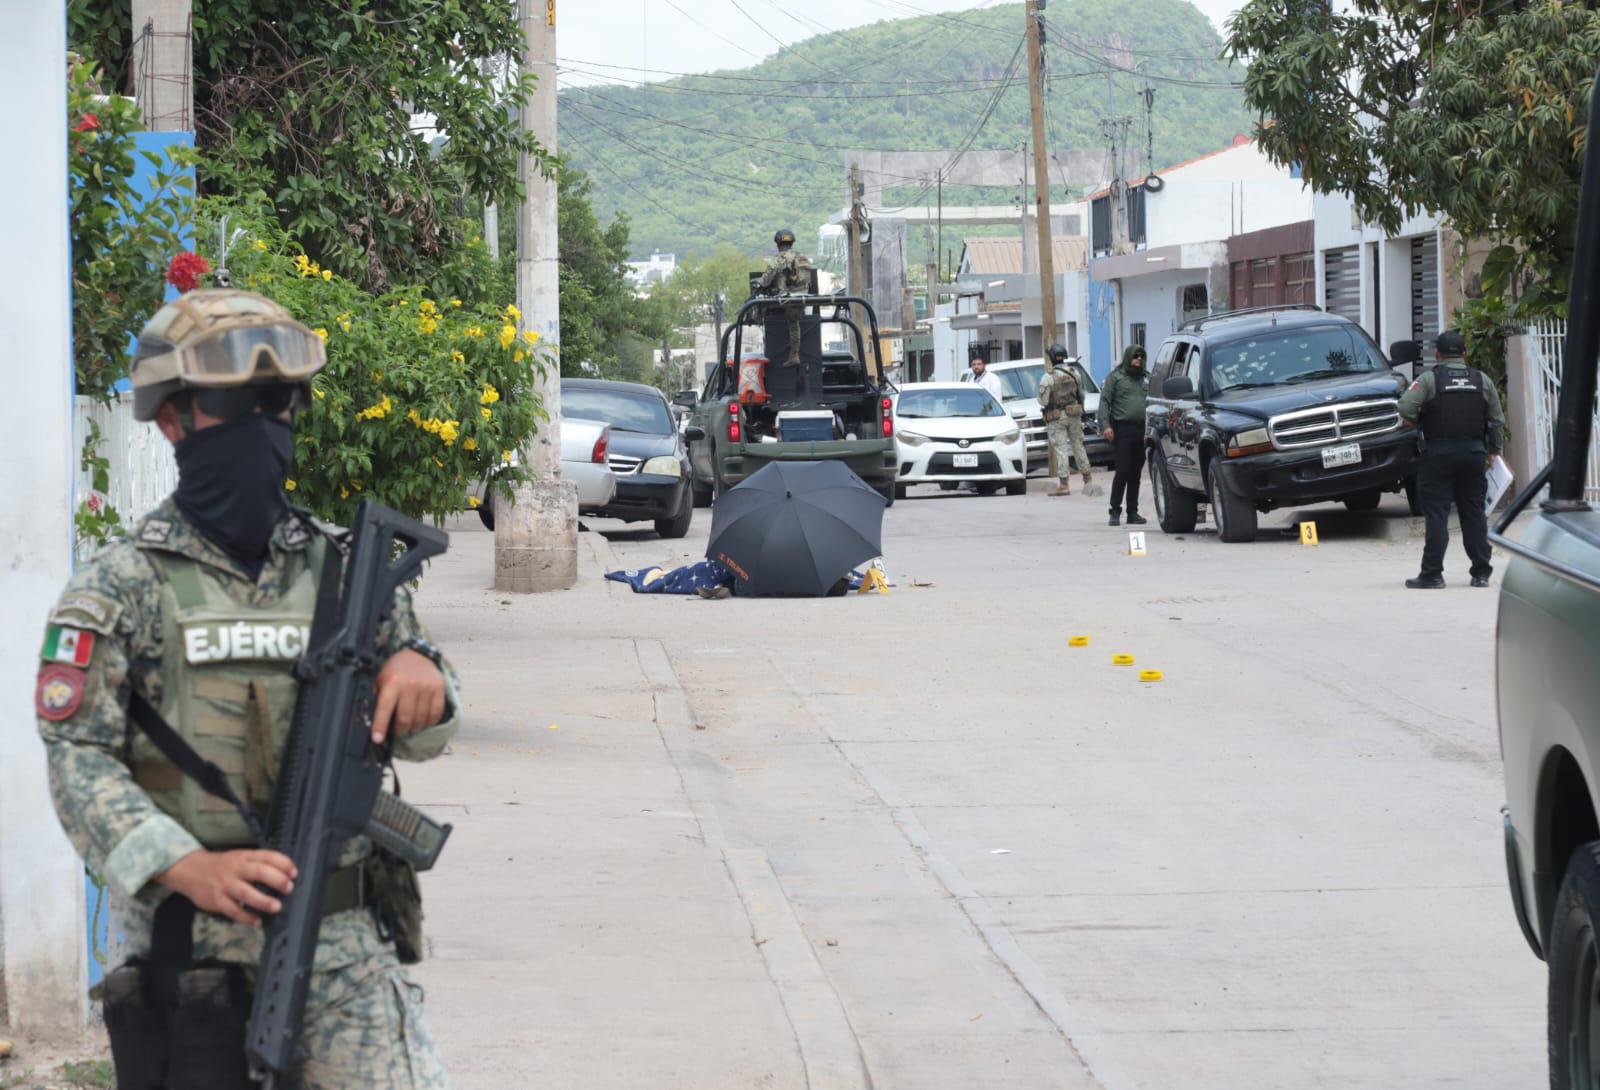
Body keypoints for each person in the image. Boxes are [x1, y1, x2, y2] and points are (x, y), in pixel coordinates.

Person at [35, 289, 457, 1088]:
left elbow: (432, 731)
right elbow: (76, 759)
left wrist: (423, 672)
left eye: (279, 402)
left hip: (342, 949)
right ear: (173, 419)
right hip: (189, 956)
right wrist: (184, 864)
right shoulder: (122, 586)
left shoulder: (342, 569)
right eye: (237, 403)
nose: (265, 424)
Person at [1396, 328, 1505, 588]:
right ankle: (1481, 573)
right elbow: (1497, 419)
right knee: (1474, 513)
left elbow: (1405, 407)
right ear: (1464, 353)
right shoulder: (1482, 380)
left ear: (1438, 354)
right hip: (1473, 454)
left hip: (1438, 455)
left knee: (1437, 513)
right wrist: (1494, 450)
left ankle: (1432, 574)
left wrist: (1420, 419)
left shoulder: (1428, 380)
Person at [1037, 345, 1101, 497]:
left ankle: (1064, 484)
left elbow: (1043, 401)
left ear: (1052, 358)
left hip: (1056, 417)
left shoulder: (1048, 377)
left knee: (1061, 449)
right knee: (1078, 445)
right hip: (1074, 414)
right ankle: (1087, 479)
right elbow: (1082, 395)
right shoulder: (1075, 373)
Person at [1098, 344, 1151, 526]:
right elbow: (1105, 402)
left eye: (1141, 357)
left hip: (1142, 430)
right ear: (1128, 357)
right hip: (1123, 430)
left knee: (1136, 472)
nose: (1138, 359)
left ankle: (1132, 512)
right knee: (1123, 470)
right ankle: (1115, 510)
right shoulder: (1116, 378)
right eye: (1135, 356)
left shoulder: (1146, 379)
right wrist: (1105, 425)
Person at [757, 228, 812, 365]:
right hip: (802, 296)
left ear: (777, 244)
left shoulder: (777, 260)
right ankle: (794, 354)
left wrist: (759, 282)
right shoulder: (801, 256)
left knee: (761, 305)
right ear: (792, 242)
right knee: (794, 323)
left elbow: (766, 281)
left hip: (785, 297)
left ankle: (756, 319)